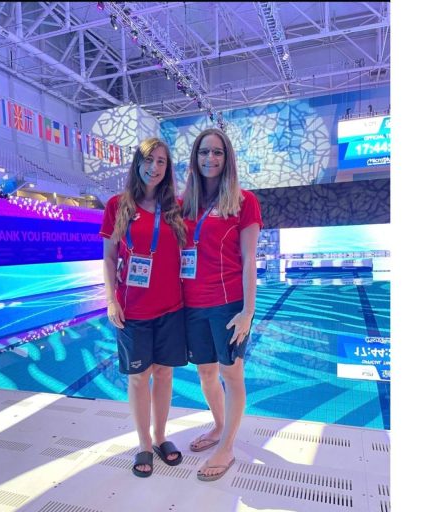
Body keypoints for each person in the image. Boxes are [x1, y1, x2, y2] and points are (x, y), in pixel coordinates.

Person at [99, 137, 188, 478]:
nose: (155, 167)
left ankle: (162, 437)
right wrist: (109, 300)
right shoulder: (117, 206)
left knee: (164, 374)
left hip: (170, 307)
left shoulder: (175, 208)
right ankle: (143, 445)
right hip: (132, 309)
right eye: (149, 160)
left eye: (162, 162)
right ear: (138, 163)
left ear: (168, 169)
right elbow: (108, 258)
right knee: (139, 378)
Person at [180, 128, 263, 481]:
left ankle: (227, 446)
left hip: (228, 304)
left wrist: (248, 311)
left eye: (217, 153)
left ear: (227, 159)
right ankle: (218, 426)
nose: (209, 159)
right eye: (203, 152)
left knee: (231, 373)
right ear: (194, 158)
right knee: (206, 372)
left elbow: (249, 259)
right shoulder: (185, 203)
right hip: (192, 305)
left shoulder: (244, 201)